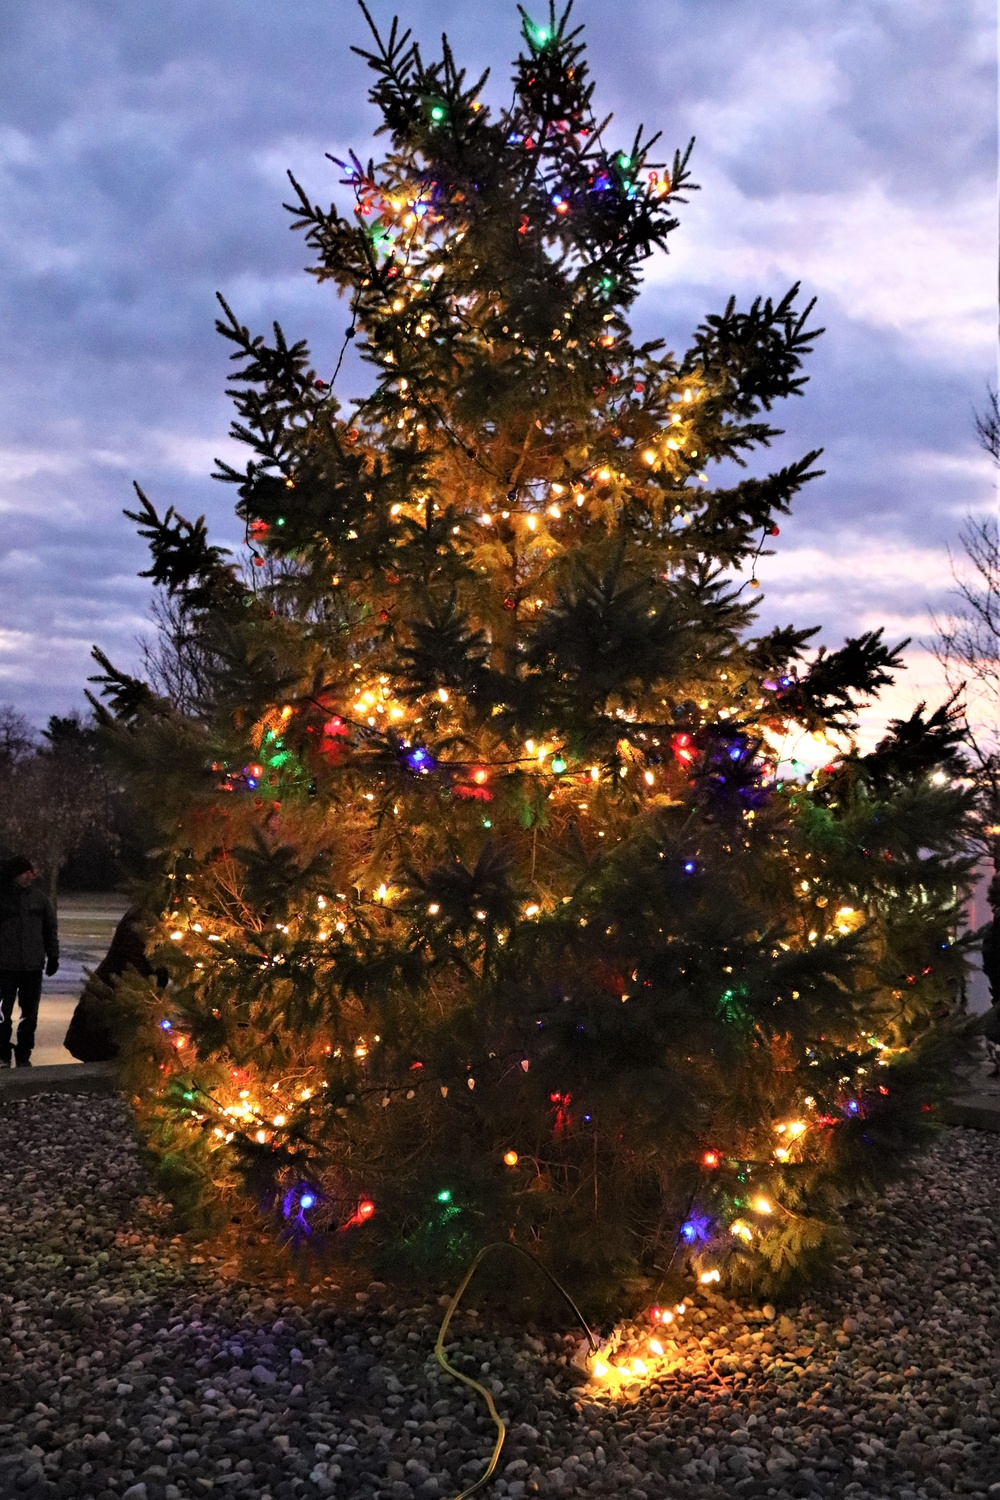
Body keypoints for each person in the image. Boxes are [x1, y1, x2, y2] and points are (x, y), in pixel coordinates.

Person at [0, 856, 59, 1067]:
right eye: (25, 872)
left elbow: (49, 930)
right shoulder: (3, 899)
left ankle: (24, 1054)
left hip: (32, 966)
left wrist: (53, 956)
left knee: (29, 1014)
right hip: (4, 966)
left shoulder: (40, 900)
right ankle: (2, 1053)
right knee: (1, 1014)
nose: (29, 875)